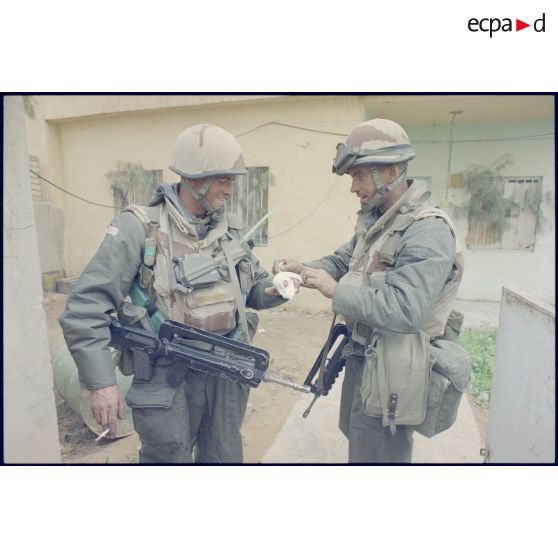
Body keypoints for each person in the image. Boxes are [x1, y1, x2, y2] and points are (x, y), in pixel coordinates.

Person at [60, 123, 292, 463]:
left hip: (224, 373)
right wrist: (101, 383)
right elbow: (84, 309)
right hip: (166, 376)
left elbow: (254, 288)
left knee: (225, 458)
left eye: (232, 180)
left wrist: (275, 288)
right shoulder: (139, 228)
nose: (231, 190)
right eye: (223, 179)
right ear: (195, 178)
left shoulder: (229, 231)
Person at [274, 118, 465, 463]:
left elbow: (407, 310)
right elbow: (343, 260)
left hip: (394, 370)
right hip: (363, 358)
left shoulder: (427, 230)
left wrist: (335, 291)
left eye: (359, 175)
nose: (353, 187)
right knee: (359, 440)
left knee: (379, 455)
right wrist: (303, 269)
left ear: (392, 170)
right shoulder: (378, 220)